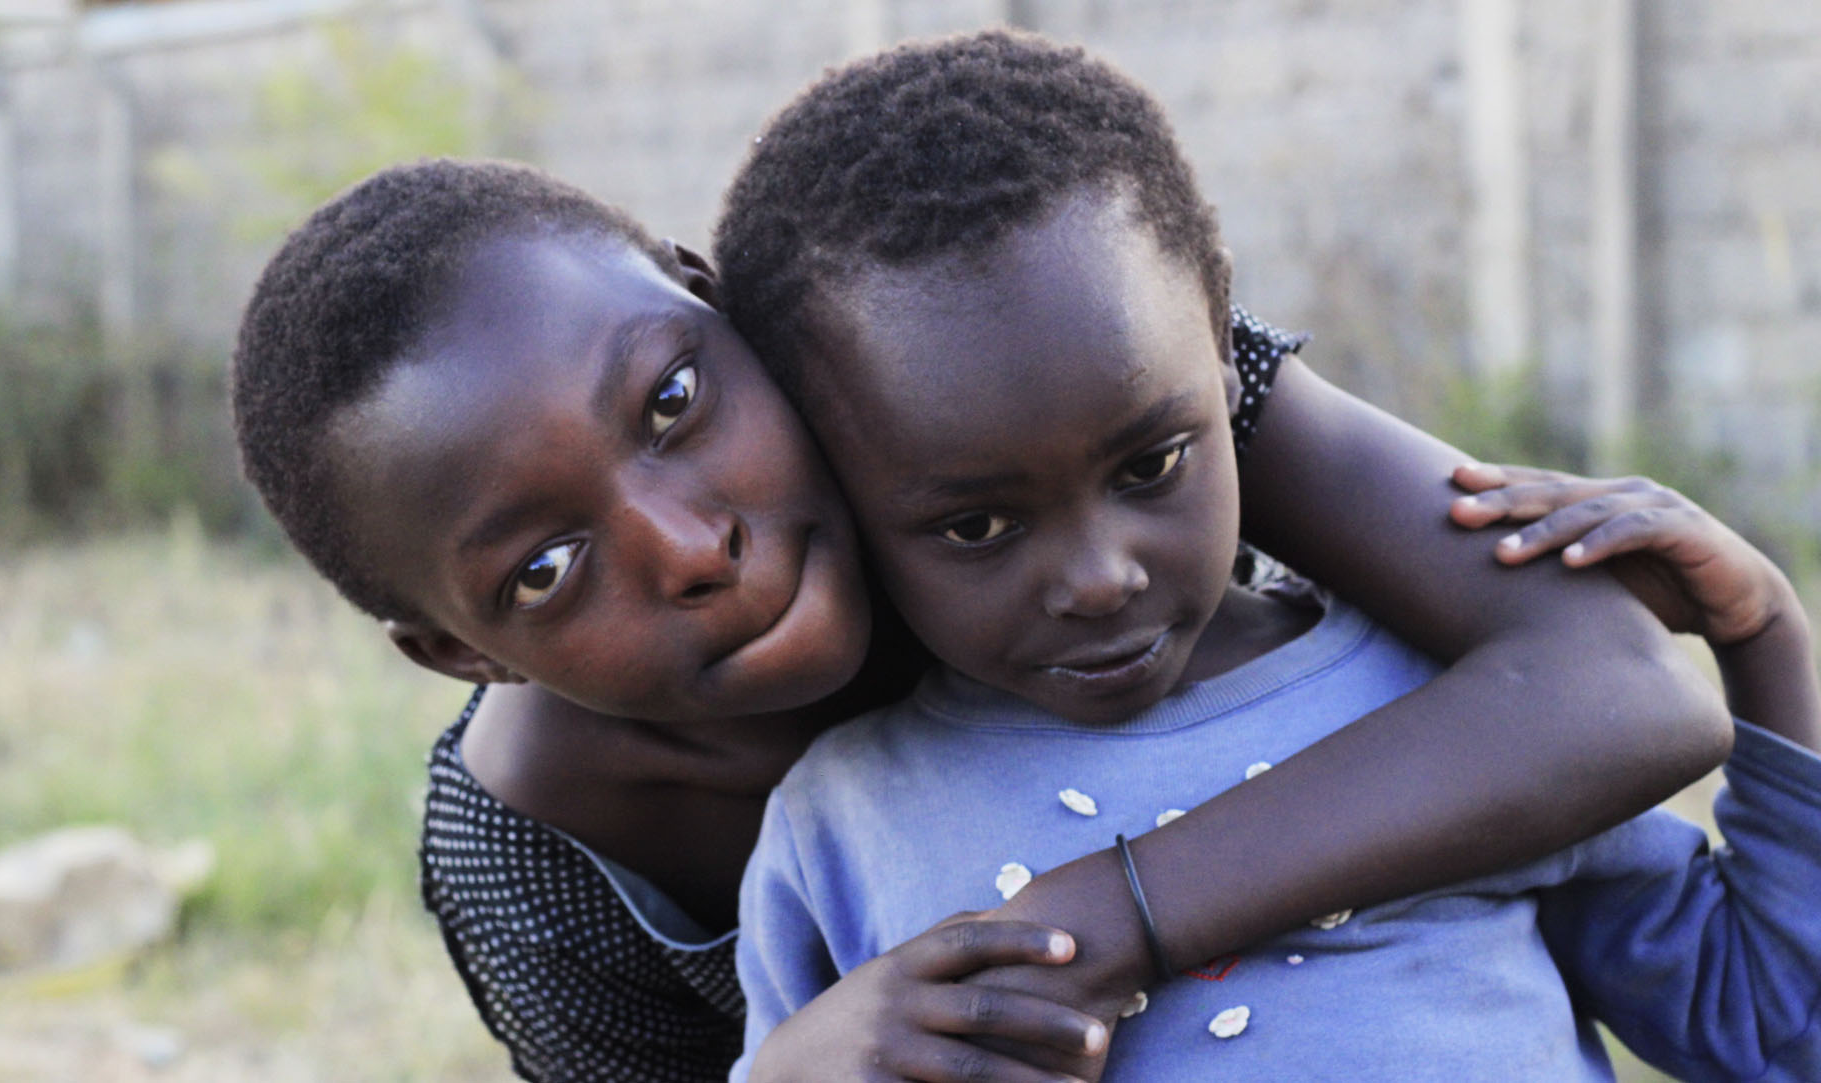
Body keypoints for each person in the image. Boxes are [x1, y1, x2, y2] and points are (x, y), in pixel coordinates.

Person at [228, 149, 1725, 1083]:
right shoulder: (536, 853)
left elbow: (1619, 685)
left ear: (714, 295)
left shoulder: (1002, 364)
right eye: (544, 570)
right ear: (459, 650)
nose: (690, 544)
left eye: (675, 402)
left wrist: (1099, 913)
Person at [718, 31, 1820, 1082]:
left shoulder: (1457, 701)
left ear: (1223, 346)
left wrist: (1767, 640)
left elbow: (1771, 1027)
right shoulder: (841, 824)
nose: (1102, 576)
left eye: (1151, 465)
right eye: (976, 528)